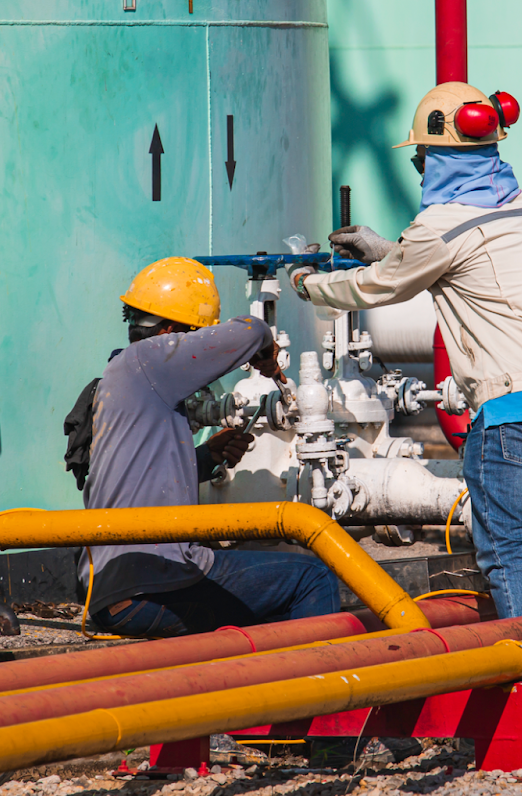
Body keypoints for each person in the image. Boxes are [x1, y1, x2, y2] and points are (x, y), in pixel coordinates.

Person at [290, 82, 522, 749]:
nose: (420, 171)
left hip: (514, 408)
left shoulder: (442, 225)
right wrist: (384, 245)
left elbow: (386, 285)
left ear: (439, 158)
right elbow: (458, 260)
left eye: (420, 160)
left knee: (508, 550)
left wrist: (305, 284)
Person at [80, 257, 340, 638]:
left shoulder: (122, 375)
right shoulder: (152, 359)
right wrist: (266, 355)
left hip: (111, 593)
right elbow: (251, 330)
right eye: (193, 336)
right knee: (313, 578)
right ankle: (316, 691)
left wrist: (205, 457)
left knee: (264, 601)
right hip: (153, 587)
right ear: (172, 331)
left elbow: (141, 477)